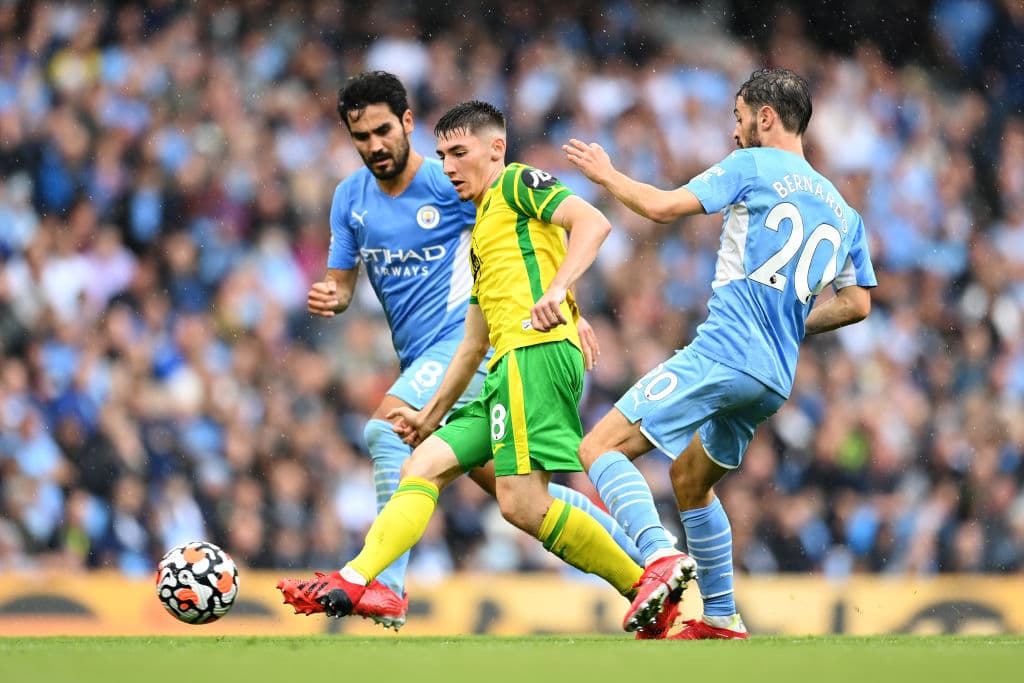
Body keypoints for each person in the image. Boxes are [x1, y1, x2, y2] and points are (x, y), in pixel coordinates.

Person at [283, 99, 695, 634]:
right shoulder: (480, 235)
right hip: (502, 366)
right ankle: (360, 578)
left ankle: (643, 580)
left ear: (496, 149)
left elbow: (592, 222)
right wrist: (430, 414)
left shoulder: (518, 182)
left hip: (534, 355)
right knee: (422, 465)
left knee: (522, 502)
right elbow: (472, 344)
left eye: (459, 153)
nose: (448, 166)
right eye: (442, 156)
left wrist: (561, 292)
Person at [563, 67, 876, 639]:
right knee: (690, 480)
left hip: (725, 353)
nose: (734, 130)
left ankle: (659, 556)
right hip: (773, 379)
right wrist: (793, 323)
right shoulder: (843, 210)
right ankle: (722, 616)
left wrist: (607, 175)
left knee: (598, 446)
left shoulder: (750, 165)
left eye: (738, 117)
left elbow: (661, 207)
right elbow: (857, 303)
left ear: (765, 118)